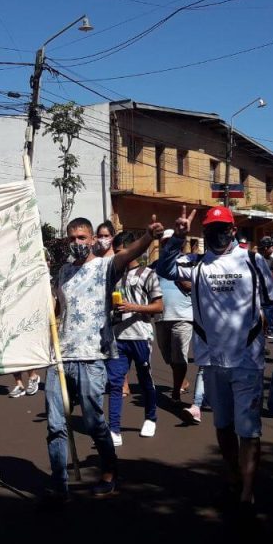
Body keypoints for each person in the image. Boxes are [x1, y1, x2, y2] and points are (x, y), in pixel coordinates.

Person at [157, 206, 273, 516]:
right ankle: (233, 475)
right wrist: (177, 236)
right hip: (213, 361)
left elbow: (272, 305)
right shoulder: (196, 263)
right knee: (223, 426)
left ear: (233, 230)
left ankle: (247, 492)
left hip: (247, 360)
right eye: (210, 229)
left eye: (222, 227)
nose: (216, 233)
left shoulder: (254, 261)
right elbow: (164, 269)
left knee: (249, 430)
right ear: (203, 233)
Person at [43, 216, 162, 504]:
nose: (77, 243)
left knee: (95, 422)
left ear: (92, 240)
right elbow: (55, 308)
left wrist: (148, 236)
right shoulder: (62, 272)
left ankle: (109, 472)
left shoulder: (104, 267)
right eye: (72, 239)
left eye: (82, 237)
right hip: (60, 358)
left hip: (92, 356)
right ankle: (59, 486)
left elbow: (127, 254)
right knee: (55, 425)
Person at [106, 231, 164, 444]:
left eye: (120, 252)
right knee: (115, 383)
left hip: (141, 336)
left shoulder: (148, 274)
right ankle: (113, 429)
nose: (117, 257)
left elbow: (159, 306)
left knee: (145, 378)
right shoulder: (114, 276)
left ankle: (150, 417)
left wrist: (134, 307)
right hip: (118, 336)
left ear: (133, 250)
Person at [152, 229, 194, 404]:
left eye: (171, 241)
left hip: (183, 315)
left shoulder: (190, 262)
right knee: (167, 355)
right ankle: (181, 380)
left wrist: (180, 278)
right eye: (164, 242)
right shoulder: (155, 265)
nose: (167, 245)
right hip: (161, 316)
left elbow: (194, 287)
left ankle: (176, 390)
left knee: (179, 355)